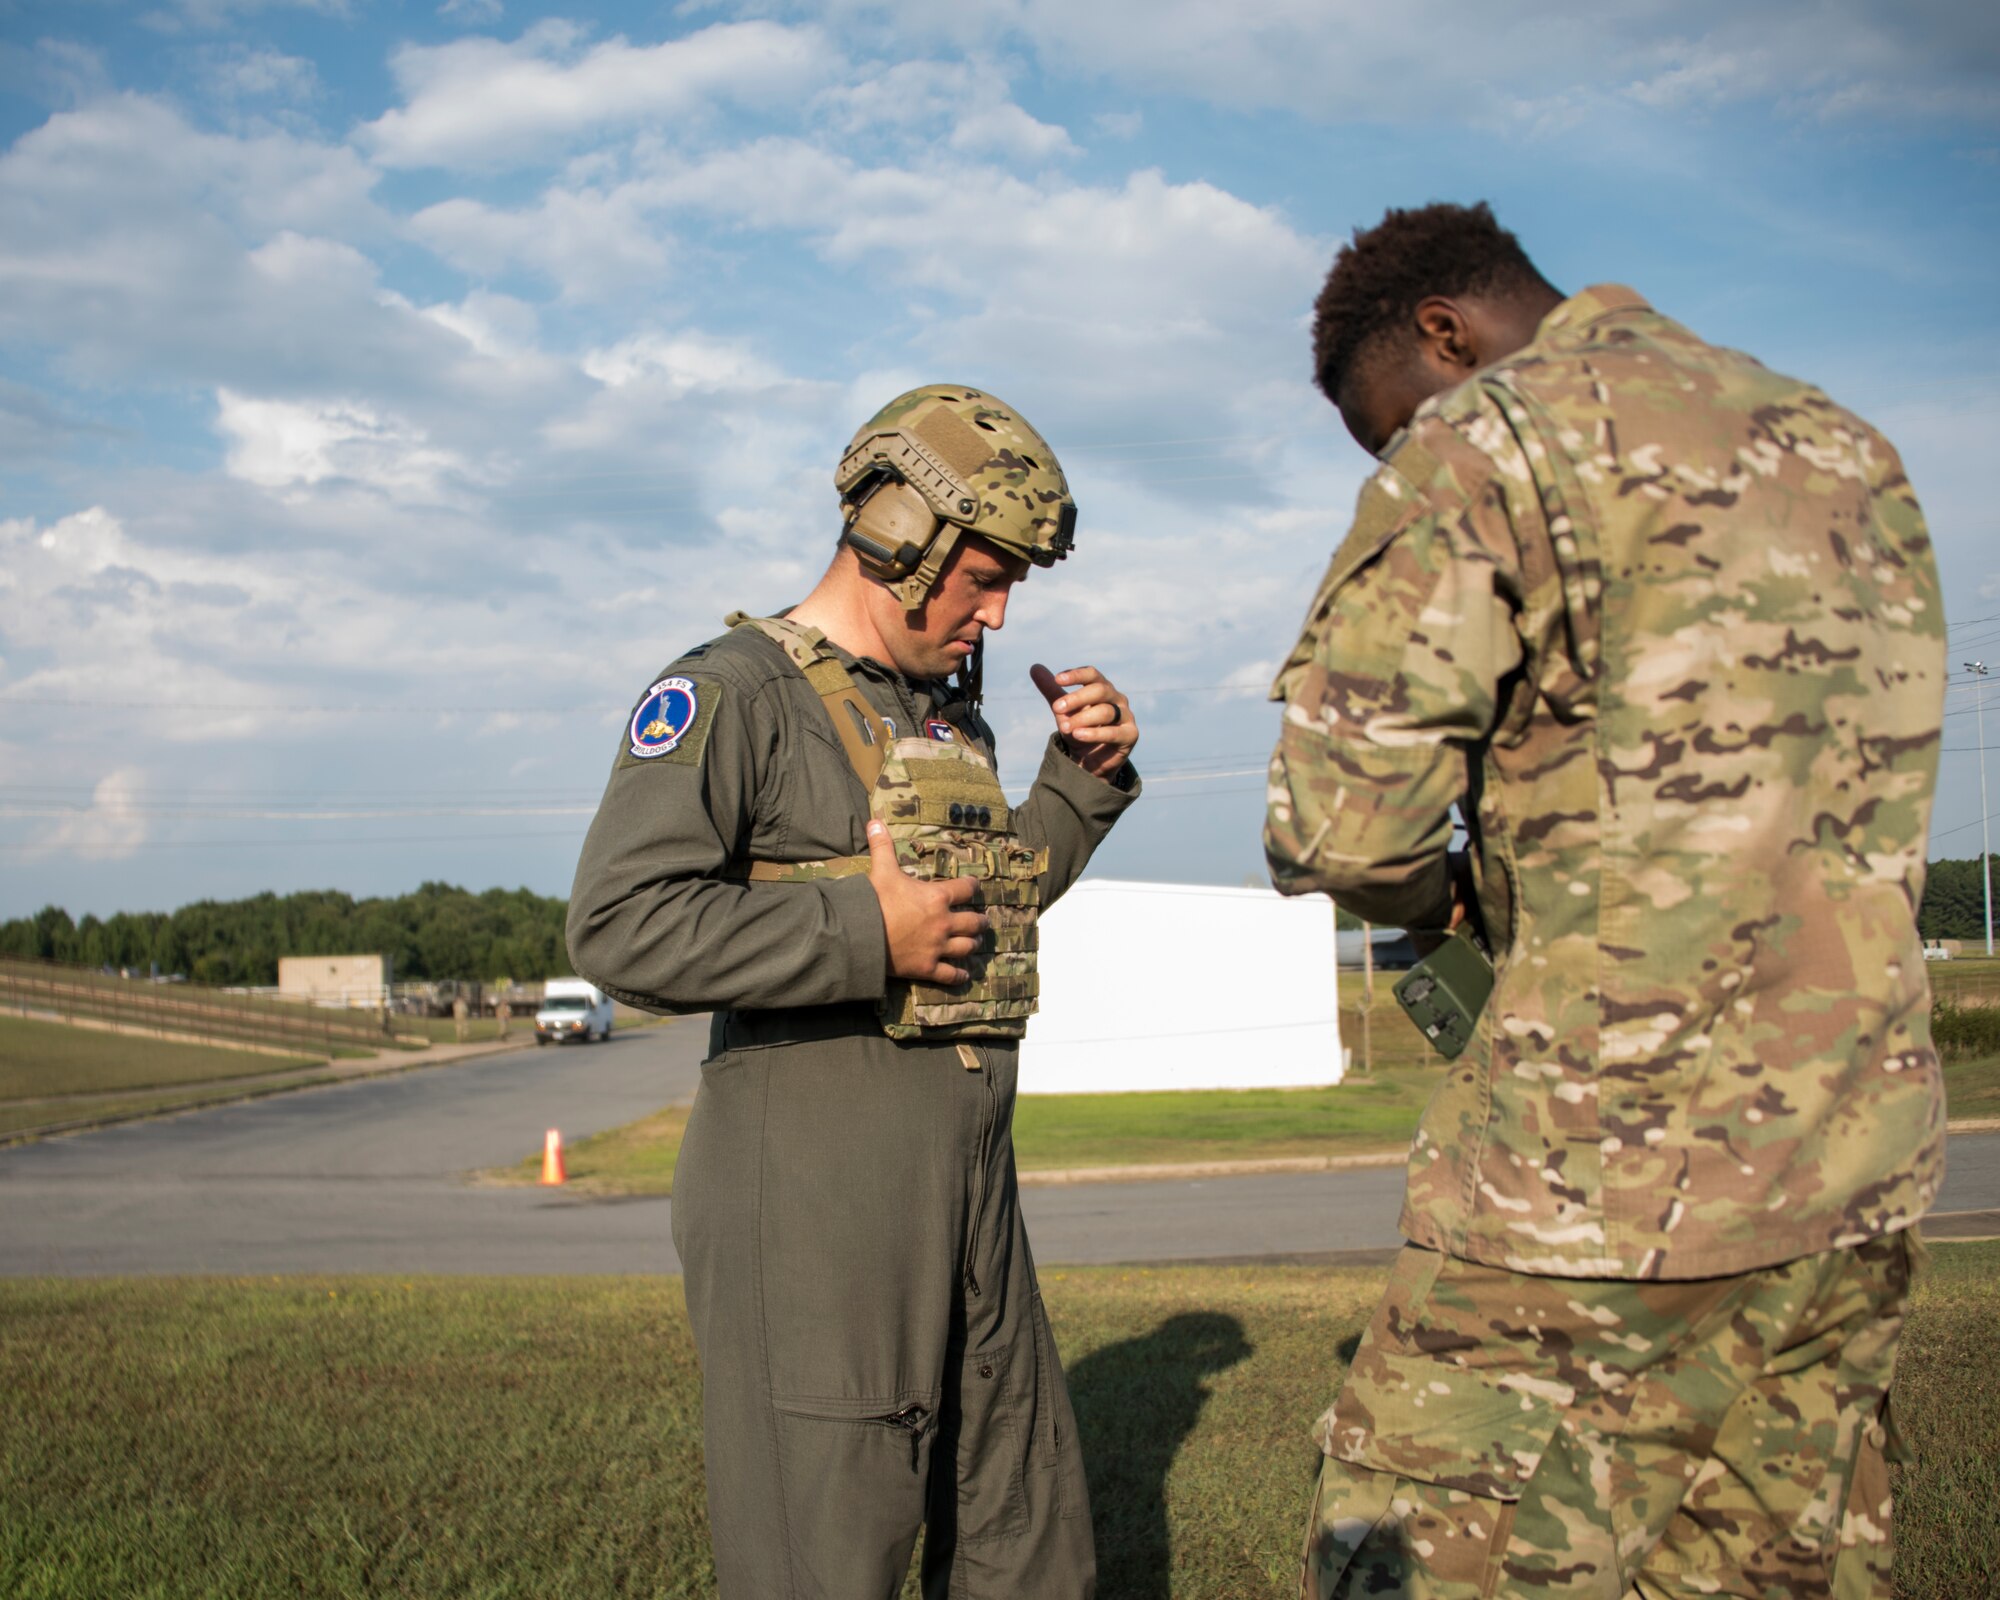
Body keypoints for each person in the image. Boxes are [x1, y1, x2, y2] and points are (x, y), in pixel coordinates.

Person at [1265, 203, 1945, 1599]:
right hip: (1853, 1168)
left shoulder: (1495, 434)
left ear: (1444, 337)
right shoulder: (1842, 447)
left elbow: (1339, 817)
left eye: (1391, 423)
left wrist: (1434, 889)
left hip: (1599, 1182)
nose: (1401, 452)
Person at [568, 385, 1140, 1599]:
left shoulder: (941, 713)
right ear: (896, 532)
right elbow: (619, 923)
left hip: (974, 1201)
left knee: (1024, 1542)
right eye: (984, 575)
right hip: (814, 1222)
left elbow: (980, 912)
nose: (996, 611)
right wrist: (860, 930)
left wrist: (1079, 783)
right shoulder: (732, 694)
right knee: (824, 1563)